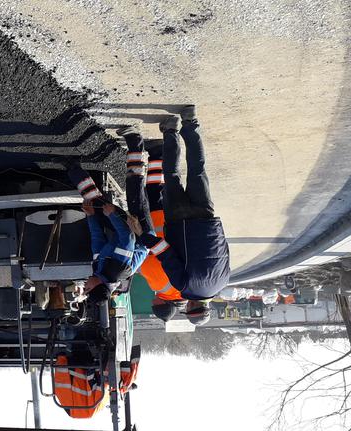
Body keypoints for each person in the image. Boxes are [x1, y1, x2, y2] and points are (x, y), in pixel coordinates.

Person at [133, 105, 230, 326]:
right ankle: (170, 131)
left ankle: (190, 122)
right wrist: (143, 237)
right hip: (179, 222)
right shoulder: (183, 286)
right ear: (191, 308)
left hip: (206, 219)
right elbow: (165, 253)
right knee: (172, 175)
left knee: (198, 169)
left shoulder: (223, 282)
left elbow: (224, 249)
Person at [117, 128, 188, 323]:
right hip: (154, 224)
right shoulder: (161, 287)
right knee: (143, 190)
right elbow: (145, 262)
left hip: (170, 224)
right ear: (159, 304)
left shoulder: (182, 288)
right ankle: (143, 148)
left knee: (155, 187)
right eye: (154, 304)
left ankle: (157, 152)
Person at [67, 163, 148, 302]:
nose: (84, 285)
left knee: (95, 205)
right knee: (136, 198)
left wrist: (91, 216)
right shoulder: (116, 271)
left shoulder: (98, 271)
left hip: (123, 235)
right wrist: (112, 215)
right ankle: (137, 170)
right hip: (140, 234)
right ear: (98, 286)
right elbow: (128, 239)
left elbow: (97, 239)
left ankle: (73, 168)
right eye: (87, 289)